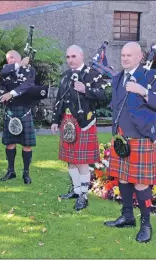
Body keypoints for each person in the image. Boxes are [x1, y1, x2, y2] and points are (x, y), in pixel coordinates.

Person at [104, 42, 156, 243]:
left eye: (129, 55)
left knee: (141, 183)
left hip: (141, 137)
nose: (124, 58)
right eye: (123, 55)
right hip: (122, 137)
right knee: (123, 178)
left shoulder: (151, 76)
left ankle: (146, 225)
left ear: (140, 56)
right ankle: (127, 216)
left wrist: (143, 91)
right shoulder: (117, 78)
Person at [51, 45, 106, 211]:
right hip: (67, 121)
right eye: (68, 57)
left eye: (73, 56)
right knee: (70, 159)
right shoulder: (66, 75)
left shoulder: (92, 74)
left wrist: (86, 89)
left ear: (81, 56)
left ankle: (84, 195)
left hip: (84, 121)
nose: (70, 60)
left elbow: (103, 95)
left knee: (81, 161)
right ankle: (76, 191)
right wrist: (55, 120)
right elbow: (60, 99)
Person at [0, 50, 36, 184]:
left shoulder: (30, 70)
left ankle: (26, 173)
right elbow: (1, 84)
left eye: (12, 58)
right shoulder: (6, 70)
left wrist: (12, 93)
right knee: (10, 143)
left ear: (20, 58)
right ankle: (11, 171)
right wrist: (2, 95)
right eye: (7, 58)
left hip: (24, 109)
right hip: (10, 110)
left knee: (27, 144)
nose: (9, 60)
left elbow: (29, 85)